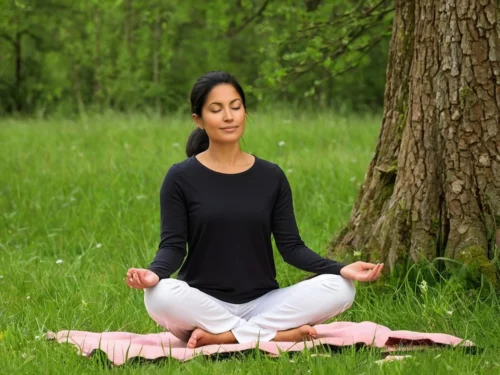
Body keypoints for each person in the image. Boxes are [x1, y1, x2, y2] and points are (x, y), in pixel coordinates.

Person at [126, 71, 384, 349]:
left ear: (244, 112)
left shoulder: (271, 176)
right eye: (216, 109)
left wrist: (342, 269)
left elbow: (292, 248)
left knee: (340, 288)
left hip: (263, 303)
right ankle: (273, 335)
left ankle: (228, 336)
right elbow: (174, 247)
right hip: (203, 305)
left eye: (235, 107)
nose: (228, 116)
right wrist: (154, 273)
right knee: (159, 294)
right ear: (198, 120)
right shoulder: (180, 177)